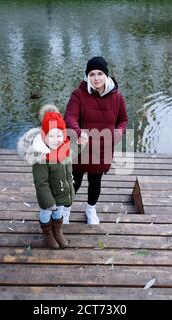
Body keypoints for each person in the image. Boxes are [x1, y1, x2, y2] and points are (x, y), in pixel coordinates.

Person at [63, 56, 128, 225]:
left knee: (95, 181)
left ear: (106, 75)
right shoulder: (78, 94)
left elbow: (123, 120)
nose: (96, 78)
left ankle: (90, 210)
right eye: (92, 74)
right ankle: (66, 210)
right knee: (74, 181)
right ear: (87, 77)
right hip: (80, 147)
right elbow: (70, 116)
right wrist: (77, 132)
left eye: (100, 73)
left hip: (103, 147)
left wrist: (119, 133)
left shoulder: (117, 97)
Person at [17, 104, 74, 249]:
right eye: (52, 136)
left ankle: (57, 231)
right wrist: (48, 201)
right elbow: (41, 183)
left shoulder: (64, 149)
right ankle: (47, 233)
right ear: (44, 136)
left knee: (59, 211)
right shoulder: (41, 157)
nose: (56, 139)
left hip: (61, 191)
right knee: (46, 213)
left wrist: (69, 189)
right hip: (48, 197)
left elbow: (68, 171)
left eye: (59, 135)